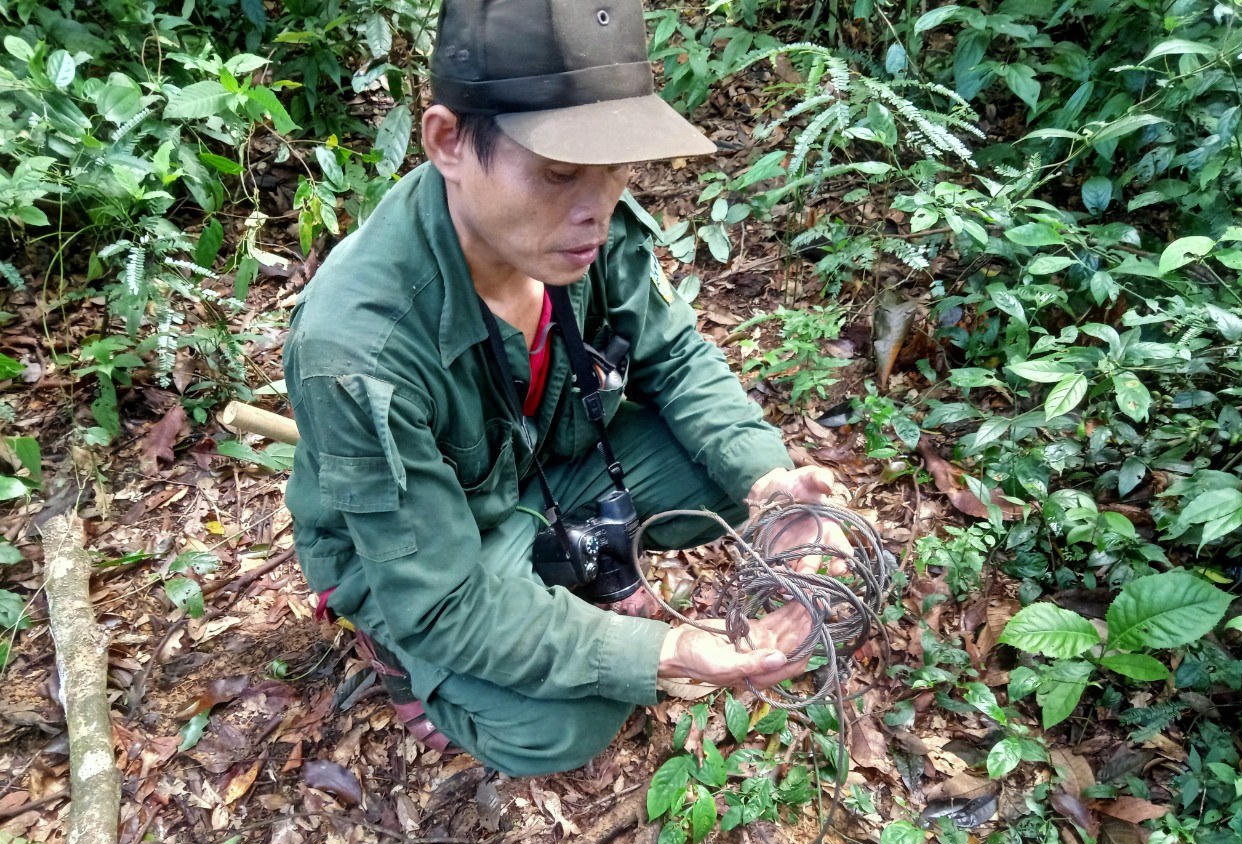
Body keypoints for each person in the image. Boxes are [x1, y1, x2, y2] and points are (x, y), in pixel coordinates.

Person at [282, 0, 851, 777]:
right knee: (565, 721)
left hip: (546, 474)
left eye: (617, 169)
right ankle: (402, 651)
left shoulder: (581, 233)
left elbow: (676, 359)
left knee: (722, 479)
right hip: (430, 554)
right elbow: (442, 596)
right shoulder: (356, 347)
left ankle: (555, 578)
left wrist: (771, 484)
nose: (597, 208)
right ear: (448, 141)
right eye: (557, 171)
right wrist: (665, 649)